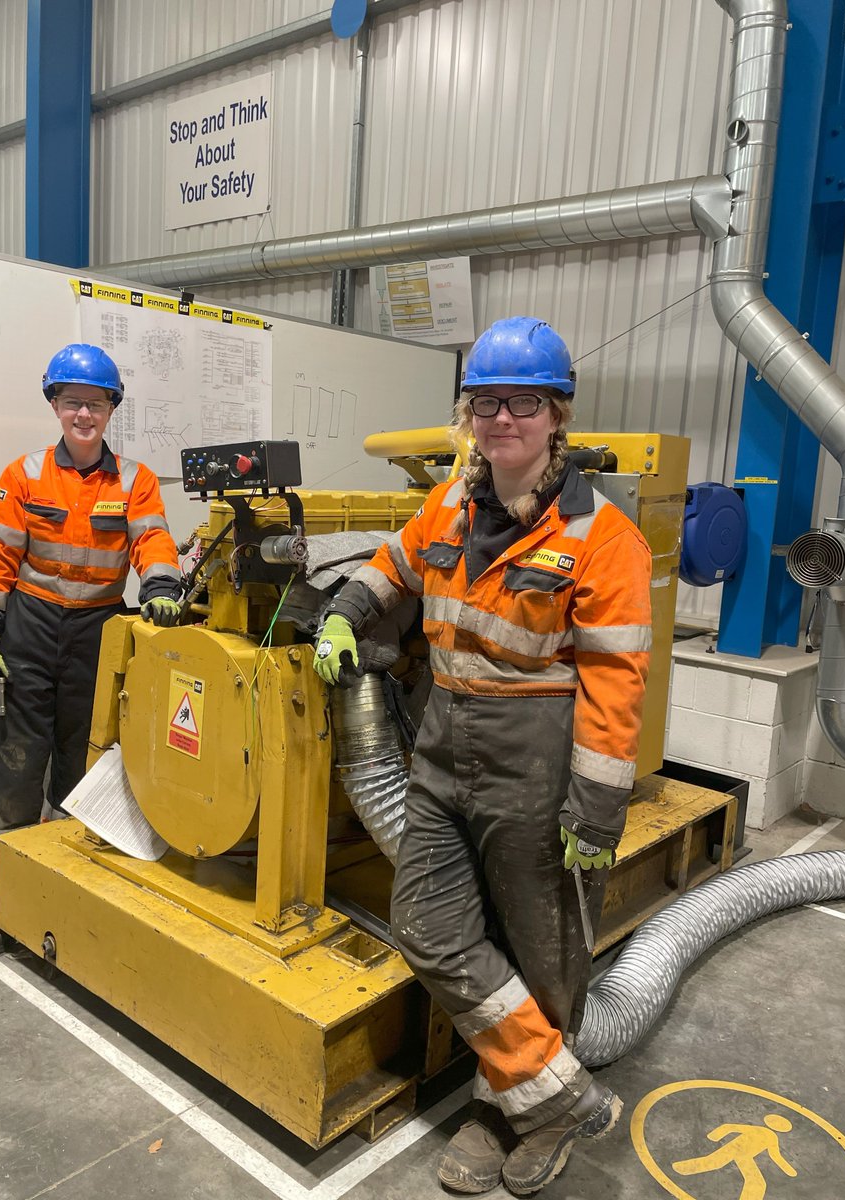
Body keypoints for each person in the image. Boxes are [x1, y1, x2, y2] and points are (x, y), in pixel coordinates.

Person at [313, 317, 652, 1196]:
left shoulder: (605, 539)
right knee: (429, 929)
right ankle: (551, 1097)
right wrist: (347, 611)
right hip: (441, 753)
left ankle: (506, 1109)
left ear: (556, 416)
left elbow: (617, 686)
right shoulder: (449, 507)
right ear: (469, 416)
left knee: (540, 953)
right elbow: (393, 566)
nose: (503, 419)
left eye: (523, 403)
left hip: (535, 768)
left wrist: (598, 811)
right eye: (487, 403)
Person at [0, 344, 184, 958]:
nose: (83, 414)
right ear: (55, 406)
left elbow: (154, 542)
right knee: (14, 761)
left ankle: (62, 889)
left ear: (111, 408)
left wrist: (164, 588)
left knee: (81, 762)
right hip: (29, 630)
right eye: (71, 403)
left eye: (94, 403)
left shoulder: (135, 480)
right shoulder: (24, 475)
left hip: (97, 632)